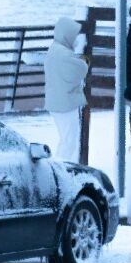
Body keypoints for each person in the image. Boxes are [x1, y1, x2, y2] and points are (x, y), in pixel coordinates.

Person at [43, 16, 88, 161]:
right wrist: (84, 62)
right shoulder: (62, 53)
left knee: (67, 138)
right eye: (73, 36)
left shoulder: (54, 49)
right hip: (65, 104)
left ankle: (63, 165)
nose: (75, 40)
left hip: (57, 101)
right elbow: (80, 69)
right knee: (69, 141)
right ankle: (62, 167)